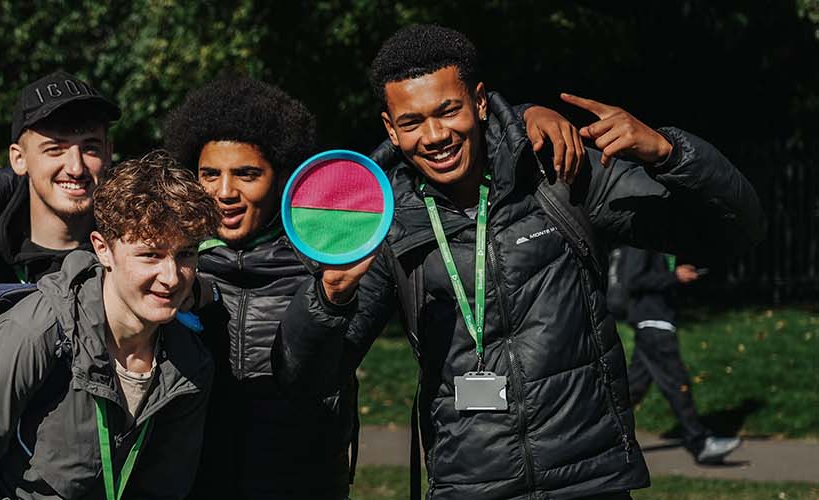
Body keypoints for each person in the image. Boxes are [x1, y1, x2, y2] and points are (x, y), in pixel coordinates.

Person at [352, 24, 763, 498]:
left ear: (480, 102)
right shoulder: (383, 222)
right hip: (470, 486)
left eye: (449, 110)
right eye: (413, 121)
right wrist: (328, 299)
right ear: (390, 127)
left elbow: (733, 234)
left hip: (589, 481)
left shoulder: (559, 172)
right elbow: (316, 372)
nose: (435, 135)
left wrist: (668, 152)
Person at [160, 75, 584, 500]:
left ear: (283, 177)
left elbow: (419, 155)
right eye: (208, 174)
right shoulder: (166, 270)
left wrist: (524, 114)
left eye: (248, 173)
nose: (224, 192)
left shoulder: (329, 259)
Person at [0, 151, 221, 500]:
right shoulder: (35, 331)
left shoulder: (190, 362)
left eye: (185, 254)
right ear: (103, 249)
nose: (171, 278)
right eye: (150, 255)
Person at [0, 70, 120, 288]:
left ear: (108, 153)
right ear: (18, 159)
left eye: (90, 148)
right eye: (55, 149)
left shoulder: (136, 259)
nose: (76, 167)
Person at [614, 246, 741, 464]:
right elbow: (632, 280)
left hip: (656, 321)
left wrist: (677, 276)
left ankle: (594, 439)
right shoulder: (641, 237)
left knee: (632, 390)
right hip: (652, 322)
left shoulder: (658, 237)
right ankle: (700, 443)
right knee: (676, 383)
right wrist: (674, 276)